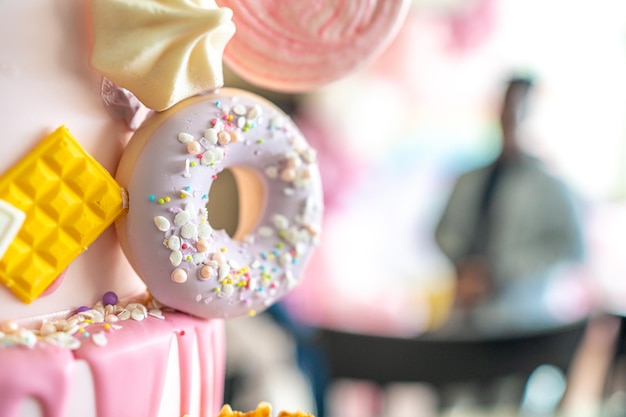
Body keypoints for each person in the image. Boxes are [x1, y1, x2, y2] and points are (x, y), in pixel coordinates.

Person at [434, 75, 587, 336]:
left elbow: (570, 248)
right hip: (464, 317)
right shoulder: (471, 179)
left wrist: (500, 272)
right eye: (507, 106)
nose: (512, 116)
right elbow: (443, 232)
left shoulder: (552, 189)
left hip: (521, 322)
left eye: (520, 108)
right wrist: (466, 268)